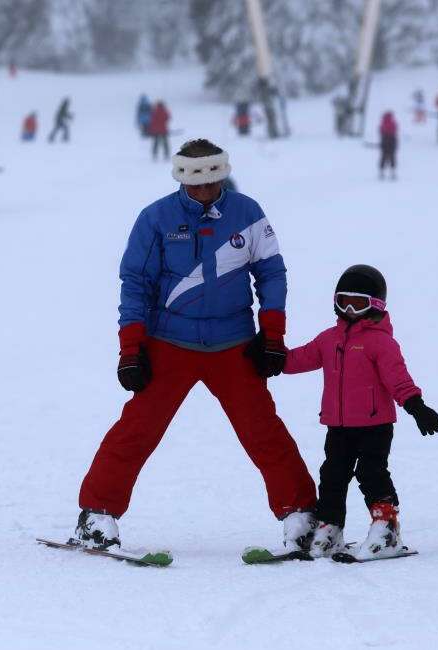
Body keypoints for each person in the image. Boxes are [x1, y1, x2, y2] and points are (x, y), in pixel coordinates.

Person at [73, 138, 318, 552]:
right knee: (137, 430)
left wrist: (272, 336)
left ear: (222, 175)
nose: (203, 191)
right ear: (182, 178)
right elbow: (136, 283)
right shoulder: (156, 218)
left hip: (233, 343)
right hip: (170, 342)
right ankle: (97, 514)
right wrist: (131, 350)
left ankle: (302, 515)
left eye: (212, 181)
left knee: (262, 430)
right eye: (195, 183)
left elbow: (272, 273)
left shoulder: (248, 213)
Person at [283, 265, 438, 560]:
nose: (349, 309)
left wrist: (416, 406)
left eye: (358, 303)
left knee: (371, 473)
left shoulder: (381, 342)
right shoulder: (328, 339)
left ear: (376, 305)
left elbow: (398, 378)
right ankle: (330, 528)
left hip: (375, 425)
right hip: (338, 426)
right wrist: (270, 357)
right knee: (332, 476)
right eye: (344, 301)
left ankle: (387, 528)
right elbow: (298, 359)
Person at [378, 111, 398, 180]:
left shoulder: (382, 123)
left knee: (383, 156)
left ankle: (381, 172)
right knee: (392, 157)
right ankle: (393, 172)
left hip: (384, 140)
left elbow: (380, 131)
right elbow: (395, 131)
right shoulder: (393, 123)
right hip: (392, 140)